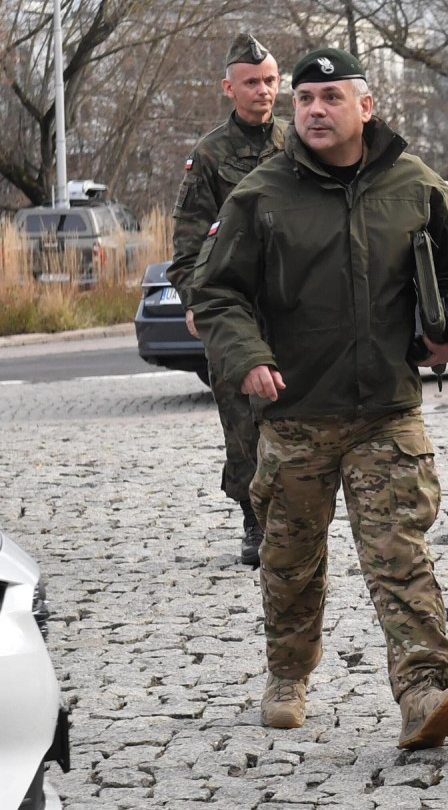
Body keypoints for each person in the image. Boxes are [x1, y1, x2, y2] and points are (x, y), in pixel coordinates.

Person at [189, 47, 448, 749]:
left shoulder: (414, 183)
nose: (315, 110)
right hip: (295, 412)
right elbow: (217, 291)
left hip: (387, 407)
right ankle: (287, 672)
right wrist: (248, 358)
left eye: (330, 97)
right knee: (291, 558)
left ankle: (425, 690)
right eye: (305, 99)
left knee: (399, 550)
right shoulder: (261, 194)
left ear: (366, 106)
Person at [167, 33, 287, 567]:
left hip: (292, 304)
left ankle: (295, 516)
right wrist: (196, 301)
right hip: (235, 305)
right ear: (228, 88)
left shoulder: (299, 141)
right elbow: (189, 242)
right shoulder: (211, 155)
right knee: (242, 420)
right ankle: (254, 520)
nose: (263, 91)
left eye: (271, 81)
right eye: (252, 83)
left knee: (295, 413)